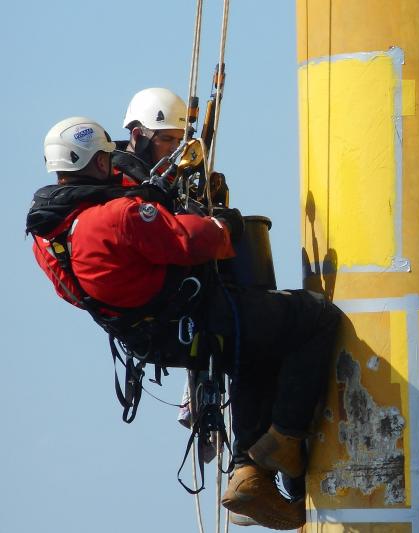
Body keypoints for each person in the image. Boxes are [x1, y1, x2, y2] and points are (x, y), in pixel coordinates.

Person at [27, 116, 341, 530]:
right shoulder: (117, 216)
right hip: (193, 320)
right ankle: (286, 438)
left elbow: (79, 289)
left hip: (153, 339)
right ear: (100, 163)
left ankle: (250, 473)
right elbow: (198, 240)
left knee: (254, 346)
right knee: (316, 317)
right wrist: (222, 222)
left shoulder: (48, 237)